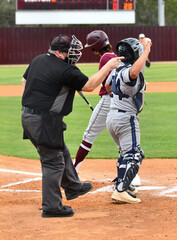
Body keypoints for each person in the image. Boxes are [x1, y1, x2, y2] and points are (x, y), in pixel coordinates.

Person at [21, 34, 122, 218]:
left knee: (60, 150)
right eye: (71, 51)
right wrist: (108, 66)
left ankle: (73, 186)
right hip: (45, 121)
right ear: (60, 53)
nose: (75, 54)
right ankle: (52, 207)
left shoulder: (38, 60)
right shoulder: (66, 70)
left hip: (27, 116)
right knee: (53, 161)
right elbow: (90, 85)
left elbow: (24, 81)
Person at [105, 37, 152, 203]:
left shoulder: (116, 69)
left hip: (112, 116)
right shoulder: (128, 70)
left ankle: (124, 184)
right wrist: (146, 51)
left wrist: (118, 97)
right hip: (126, 118)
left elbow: (107, 86)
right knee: (135, 155)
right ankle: (121, 190)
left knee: (125, 154)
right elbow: (133, 73)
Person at [73, 30, 117, 171]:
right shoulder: (113, 55)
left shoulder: (105, 58)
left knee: (89, 135)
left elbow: (101, 80)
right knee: (121, 139)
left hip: (107, 100)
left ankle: (73, 170)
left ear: (95, 47)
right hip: (119, 101)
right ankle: (130, 174)